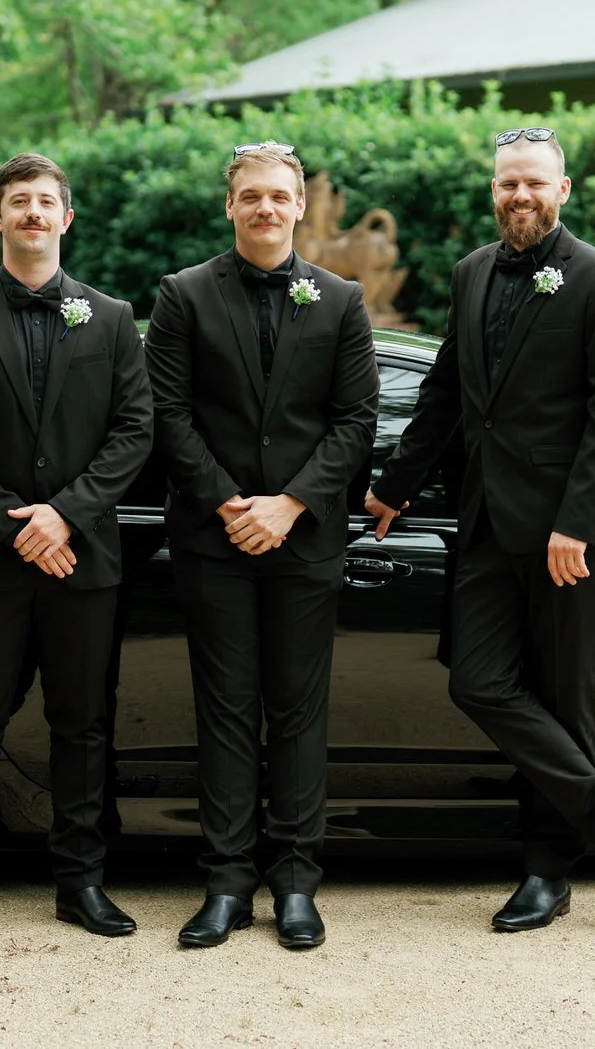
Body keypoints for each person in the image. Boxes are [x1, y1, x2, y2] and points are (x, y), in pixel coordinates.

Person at [363, 126, 595, 933]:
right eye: (508, 183)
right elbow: (446, 391)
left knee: (564, 702)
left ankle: (547, 874)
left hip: (569, 537)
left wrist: (575, 521)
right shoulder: (471, 272)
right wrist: (393, 485)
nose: (520, 195)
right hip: (488, 526)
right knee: (478, 680)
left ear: (562, 189)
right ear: (493, 190)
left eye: (534, 182)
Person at [144, 142, 379, 951]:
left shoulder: (341, 300)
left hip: (304, 542)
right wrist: (226, 502)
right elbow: (167, 414)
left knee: (299, 713)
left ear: (300, 205)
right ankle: (226, 883)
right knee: (225, 711)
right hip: (212, 540)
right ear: (231, 205)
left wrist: (290, 505)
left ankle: (297, 884)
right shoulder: (183, 295)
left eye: (279, 195)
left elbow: (355, 421)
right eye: (251, 196)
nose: (266, 208)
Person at [0, 151, 154, 945]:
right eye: (18, 201)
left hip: (84, 560)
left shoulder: (111, 317)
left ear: (66, 217)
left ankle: (81, 882)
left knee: (83, 725)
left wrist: (67, 515)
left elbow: (134, 431)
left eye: (46, 201)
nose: (33, 213)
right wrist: (15, 524)